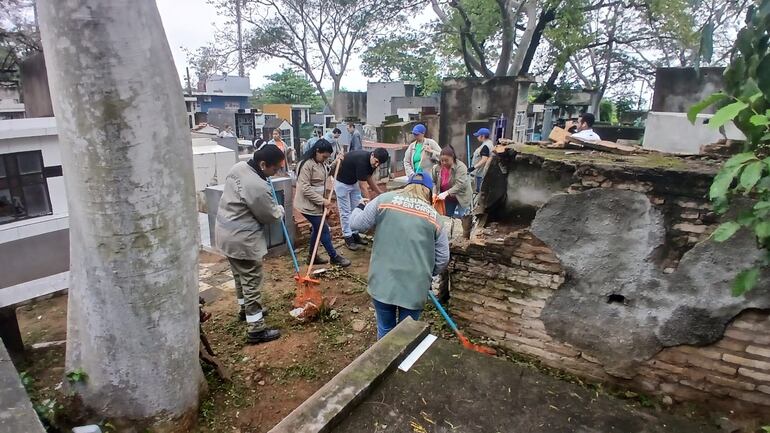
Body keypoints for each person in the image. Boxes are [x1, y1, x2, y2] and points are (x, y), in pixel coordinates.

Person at [350, 172, 450, 339]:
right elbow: (443, 258)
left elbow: (356, 224)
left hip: (383, 283)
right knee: (407, 334)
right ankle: (403, 362)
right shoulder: (435, 218)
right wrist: (427, 272)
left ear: (407, 185)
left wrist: (360, 206)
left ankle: (385, 362)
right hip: (414, 287)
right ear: (428, 191)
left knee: (385, 330)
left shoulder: (384, 200)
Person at [214, 144, 285, 344]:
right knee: (251, 280)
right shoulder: (257, 185)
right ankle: (256, 328)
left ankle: (244, 310)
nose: (276, 173)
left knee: (239, 276)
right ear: (263, 164)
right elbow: (270, 215)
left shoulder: (238, 168)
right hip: (242, 239)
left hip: (225, 234)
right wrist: (279, 209)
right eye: (274, 169)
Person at [295, 139, 352, 267]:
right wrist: (323, 201)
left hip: (318, 205)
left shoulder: (321, 163)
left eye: (327, 157)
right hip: (307, 205)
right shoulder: (306, 165)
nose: (325, 159)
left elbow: (328, 171)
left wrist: (337, 162)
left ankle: (312, 257)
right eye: (324, 156)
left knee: (318, 229)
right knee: (324, 229)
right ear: (317, 151)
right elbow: (305, 188)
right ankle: (334, 256)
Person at [334, 148, 390, 251]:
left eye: (379, 163)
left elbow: (369, 179)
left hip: (353, 182)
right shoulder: (362, 161)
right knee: (346, 212)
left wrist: (381, 193)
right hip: (342, 183)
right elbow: (363, 186)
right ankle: (347, 237)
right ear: (372, 155)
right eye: (376, 161)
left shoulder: (372, 163)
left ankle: (355, 234)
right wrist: (369, 204)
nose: (377, 165)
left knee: (356, 209)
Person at [431, 146, 474, 238]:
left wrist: (446, 192)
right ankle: (447, 237)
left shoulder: (461, 167)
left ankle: (465, 238)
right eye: (442, 160)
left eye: (446, 160)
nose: (444, 163)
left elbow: (460, 184)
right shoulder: (437, 168)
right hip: (447, 198)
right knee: (446, 217)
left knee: (464, 218)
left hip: (461, 196)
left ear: (453, 158)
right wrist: (434, 192)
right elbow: (434, 182)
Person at [469, 127, 494, 192]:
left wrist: (473, 167)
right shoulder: (489, 144)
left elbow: (484, 159)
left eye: (478, 136)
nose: (477, 137)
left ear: (482, 136)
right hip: (483, 173)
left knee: (479, 192)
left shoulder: (485, 146)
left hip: (481, 174)